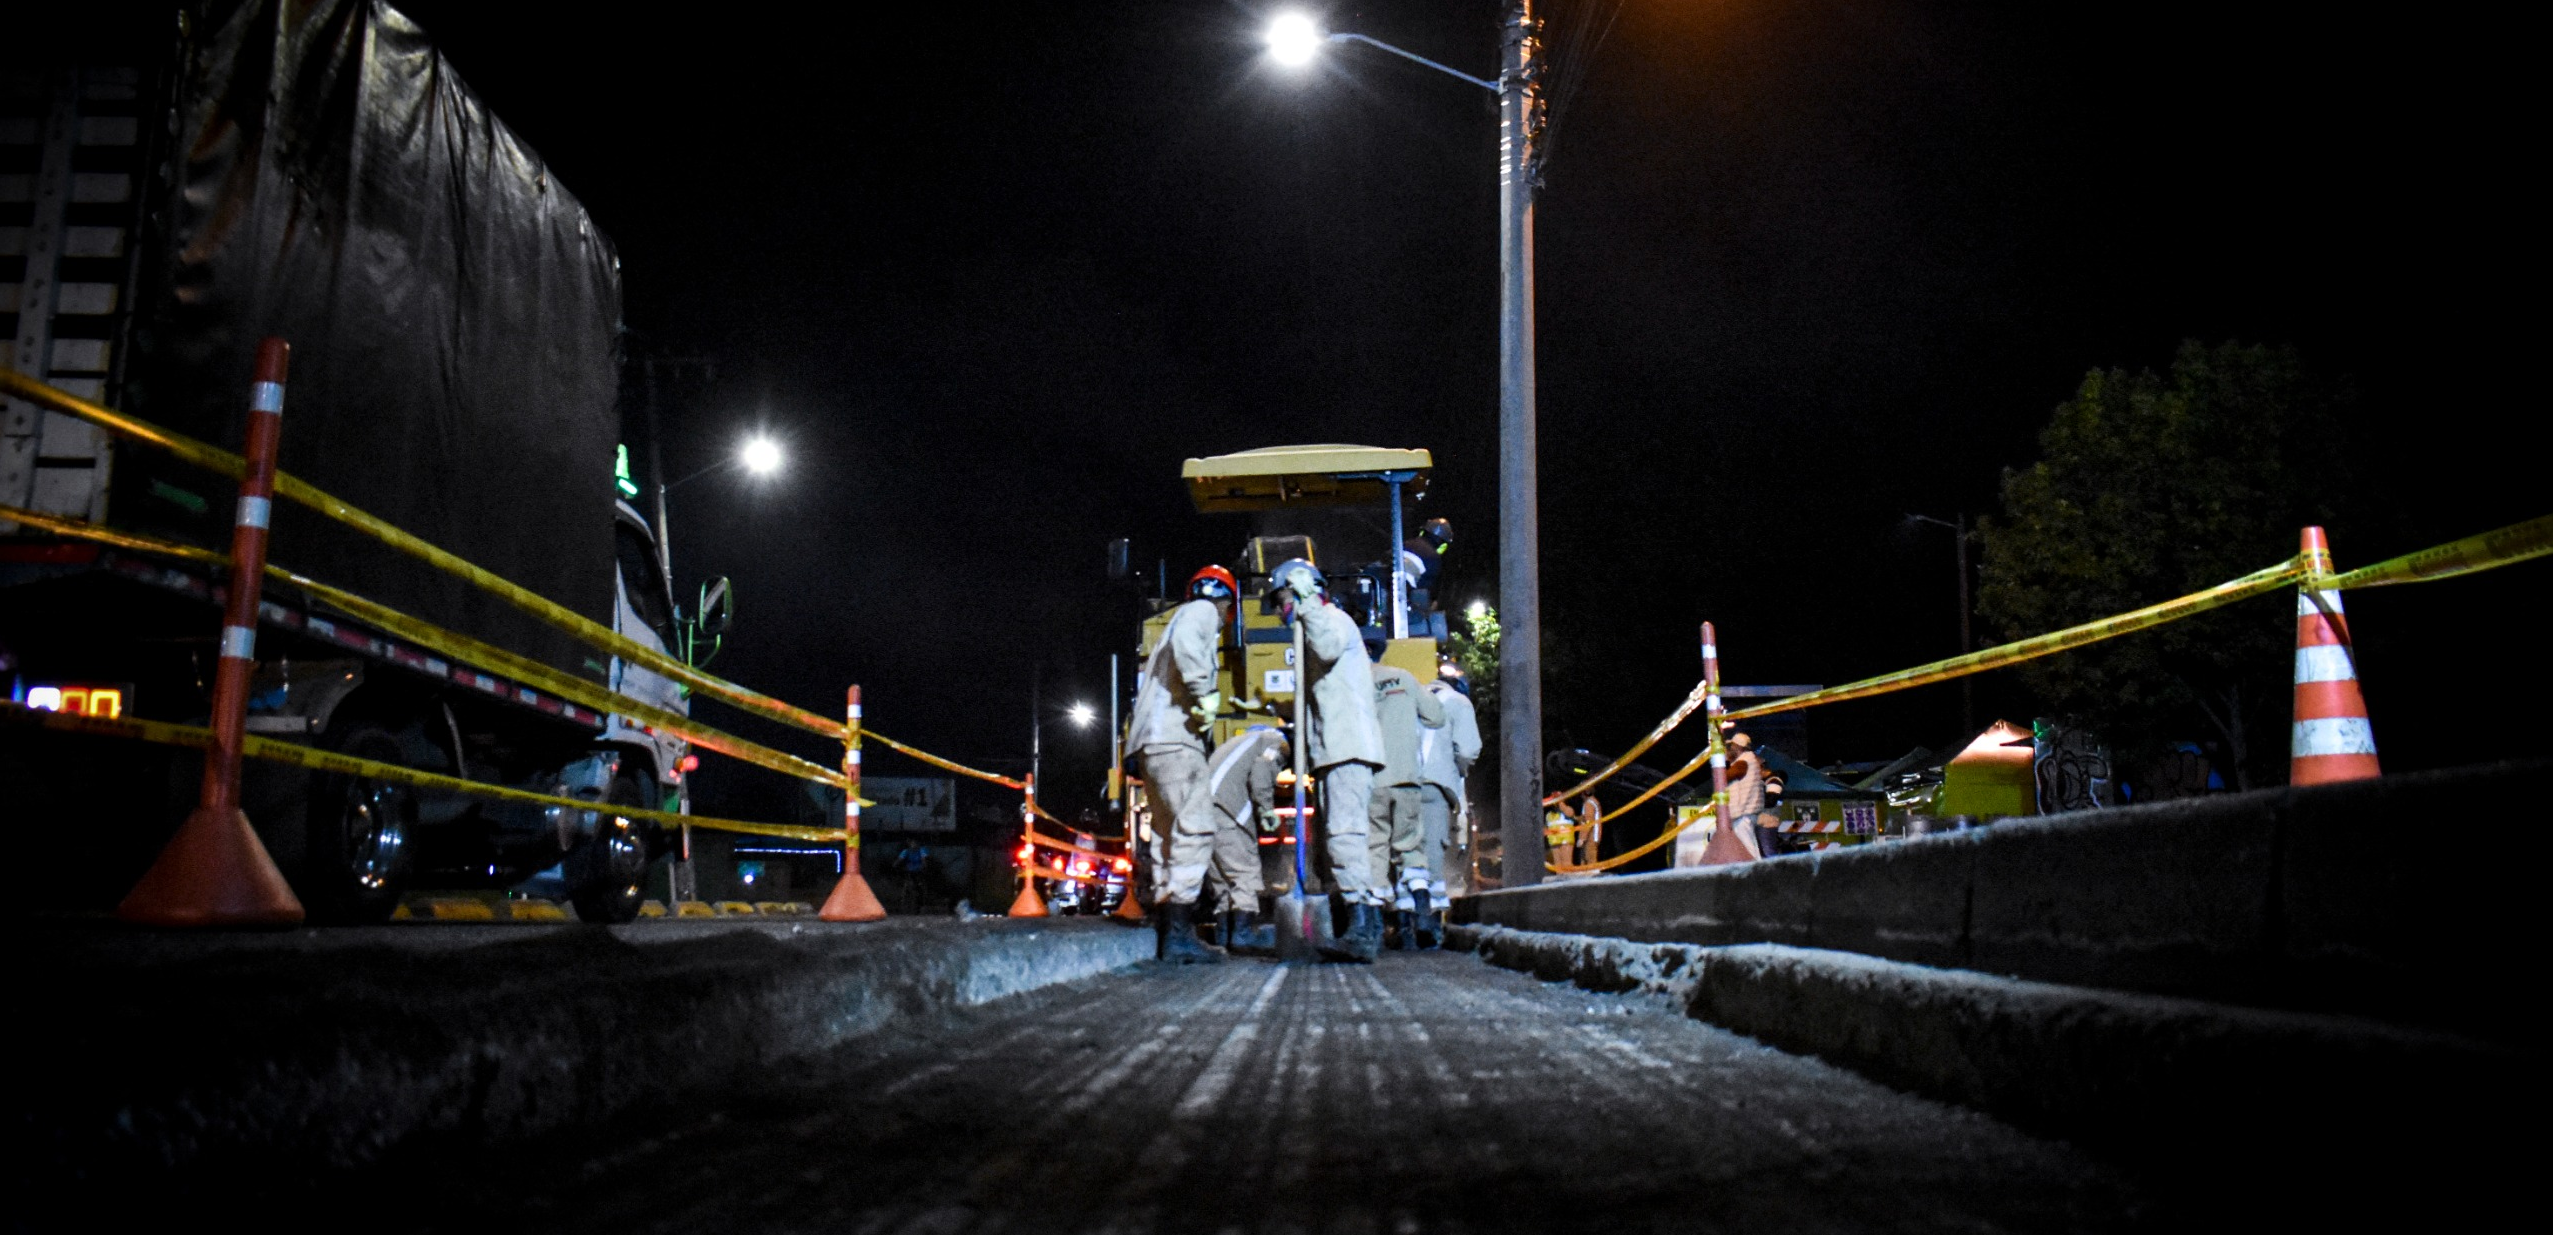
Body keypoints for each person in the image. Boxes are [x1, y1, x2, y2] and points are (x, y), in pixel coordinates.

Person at [1270, 558, 1387, 962]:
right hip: (1333, 752)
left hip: (1347, 748)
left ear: (1301, 590)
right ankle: (1355, 923)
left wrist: (1306, 603)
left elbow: (1327, 646)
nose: (1282, 609)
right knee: (1334, 842)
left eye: (1282, 599)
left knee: (1345, 837)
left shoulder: (1331, 620)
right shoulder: (1316, 625)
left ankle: (1364, 928)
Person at [1124, 565, 1236, 961]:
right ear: (1227, 605)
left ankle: (1169, 924)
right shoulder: (1201, 610)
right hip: (1176, 740)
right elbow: (1192, 648)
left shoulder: (1169, 629)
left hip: (1151, 745)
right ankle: (1178, 934)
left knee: (1168, 836)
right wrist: (1206, 695)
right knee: (1195, 830)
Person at [1368, 662, 1446, 949]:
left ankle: (1373, 928)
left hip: (1372, 779)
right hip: (1407, 777)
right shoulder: (1405, 676)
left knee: (1374, 848)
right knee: (1410, 847)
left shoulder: (1356, 679)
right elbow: (1436, 717)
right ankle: (1423, 912)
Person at [1193, 725, 1288, 954]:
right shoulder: (1273, 741)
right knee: (1244, 873)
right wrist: (1266, 809)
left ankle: (1225, 934)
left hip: (1200, 811)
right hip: (1226, 810)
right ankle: (1242, 936)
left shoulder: (1236, 744)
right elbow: (1261, 776)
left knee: (1223, 880)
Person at [1416, 662, 1480, 937]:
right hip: (1435, 786)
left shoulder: (1413, 699)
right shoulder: (1458, 702)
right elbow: (1467, 750)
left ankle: (1400, 920)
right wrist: (1459, 770)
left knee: (1407, 853)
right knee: (1437, 854)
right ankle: (1429, 923)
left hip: (1397, 784)